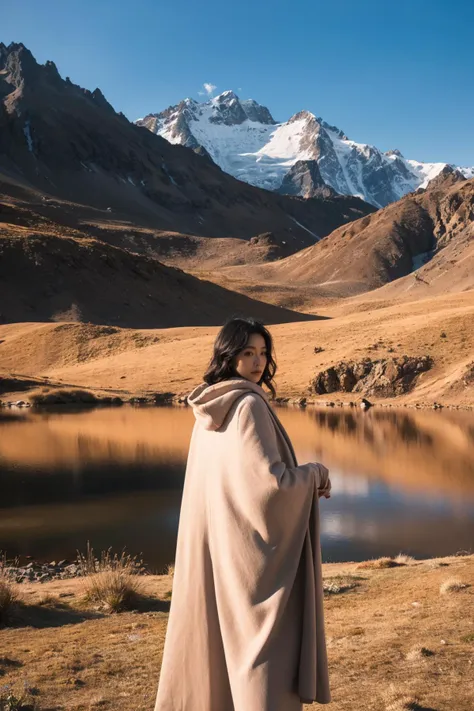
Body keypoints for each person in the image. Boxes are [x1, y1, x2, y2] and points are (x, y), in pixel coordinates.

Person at [154, 317, 332, 711]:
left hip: (220, 552)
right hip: (250, 565)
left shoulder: (208, 408)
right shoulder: (248, 404)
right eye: (248, 352)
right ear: (228, 355)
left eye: (263, 353)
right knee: (262, 652)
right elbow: (273, 488)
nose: (257, 361)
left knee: (219, 648)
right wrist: (316, 473)